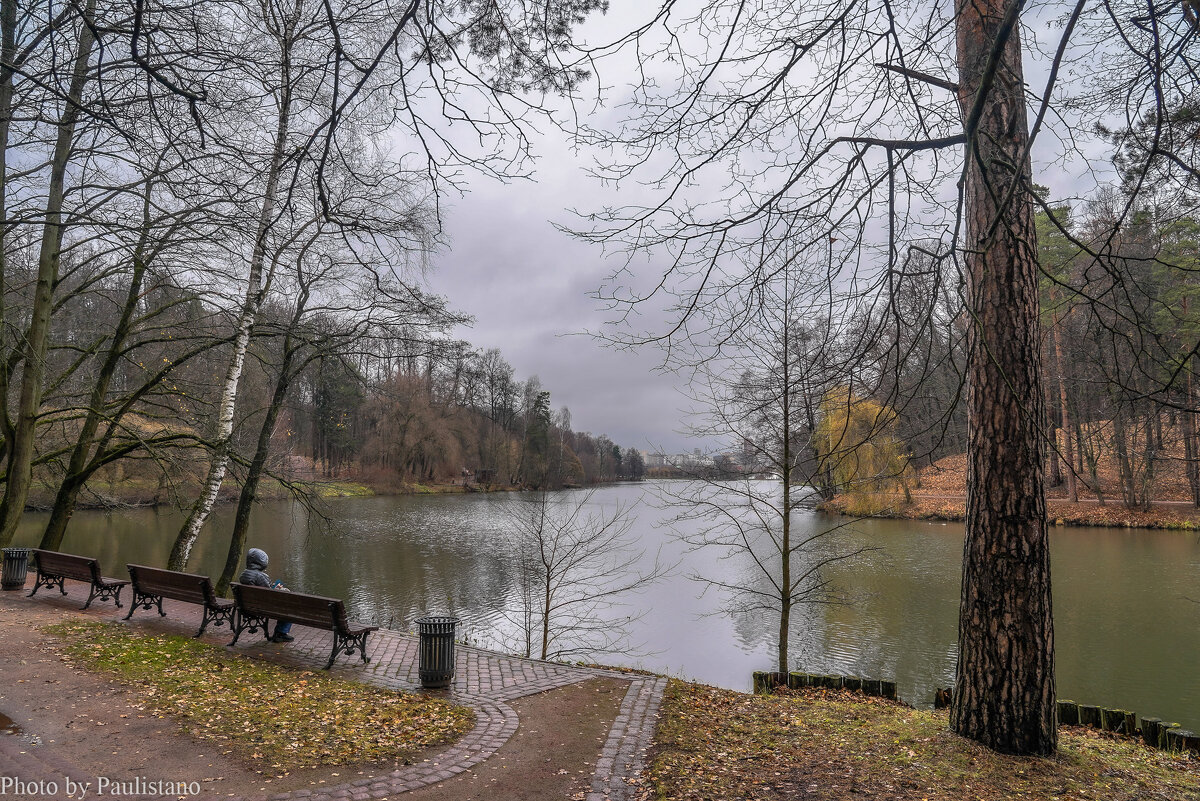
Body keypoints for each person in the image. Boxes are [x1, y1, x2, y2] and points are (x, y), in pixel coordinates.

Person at [239, 547, 294, 642]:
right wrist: (278, 589)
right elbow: (270, 594)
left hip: (248, 606)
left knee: (278, 582)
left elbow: (264, 591)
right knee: (289, 607)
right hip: (263, 608)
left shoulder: (243, 574)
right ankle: (281, 632)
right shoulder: (260, 576)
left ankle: (280, 633)